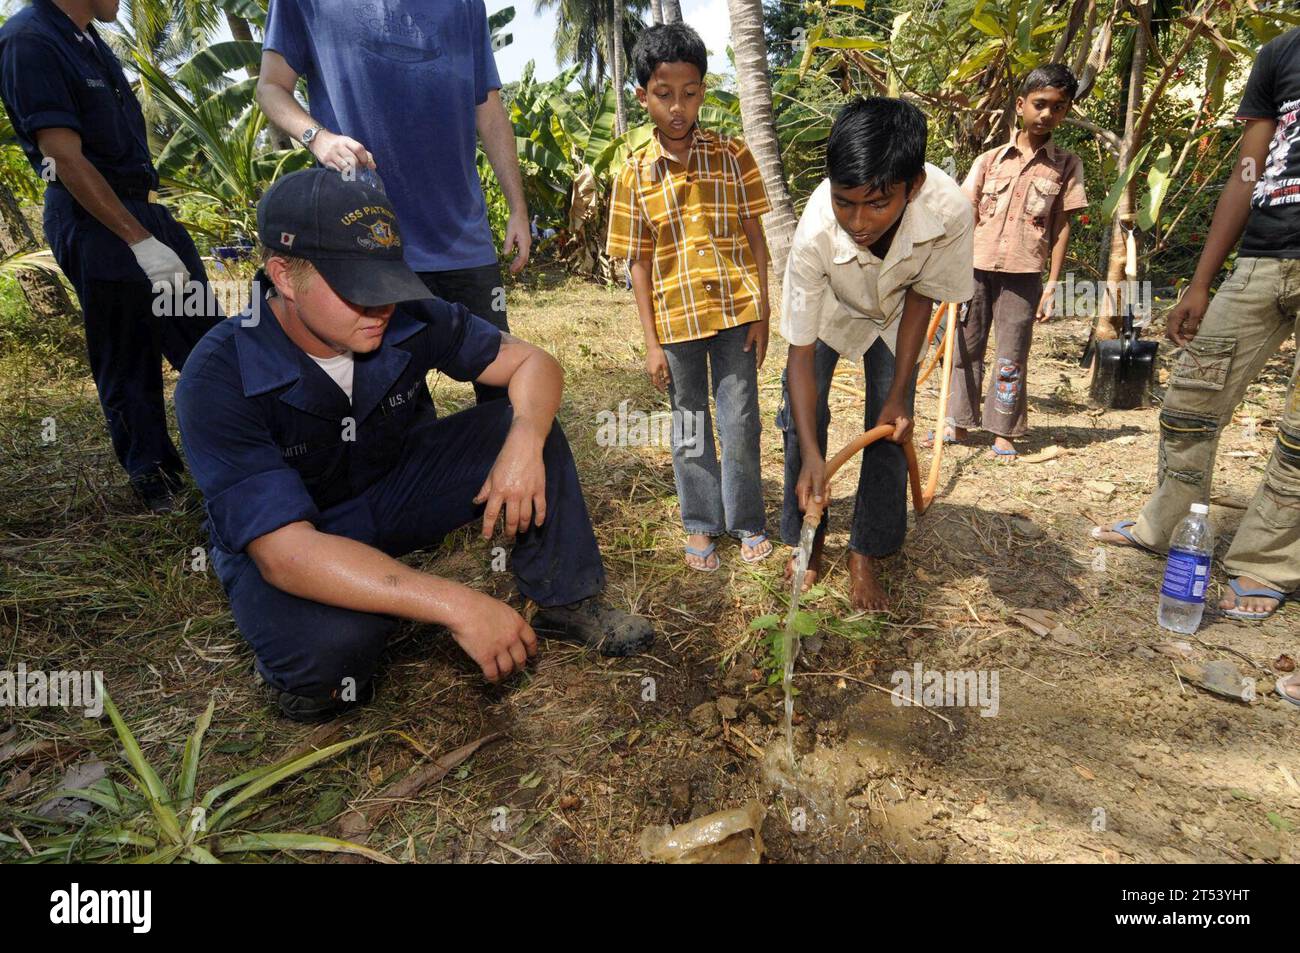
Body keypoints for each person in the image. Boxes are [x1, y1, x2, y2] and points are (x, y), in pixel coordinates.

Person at [175, 169, 653, 722]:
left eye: (388, 283)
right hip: (295, 539)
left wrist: (524, 441)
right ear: (284, 275)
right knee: (336, 652)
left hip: (389, 489)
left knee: (522, 423)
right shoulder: (219, 376)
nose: (381, 308)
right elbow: (285, 555)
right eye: (359, 290)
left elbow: (534, 363)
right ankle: (300, 665)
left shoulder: (405, 315)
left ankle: (566, 601)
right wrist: (456, 604)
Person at [1092, 27, 1300, 623]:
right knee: (1189, 400)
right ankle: (1170, 523)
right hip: (1262, 258)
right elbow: (1248, 167)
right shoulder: (1281, 53)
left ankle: (1267, 561)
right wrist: (1203, 282)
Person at [0, 0, 219, 511]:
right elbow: (63, 158)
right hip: (94, 217)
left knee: (209, 340)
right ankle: (156, 484)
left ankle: (246, 454)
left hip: (141, 208)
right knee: (128, 354)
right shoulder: (30, 40)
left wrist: (152, 226)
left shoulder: (90, 40)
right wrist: (137, 240)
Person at [254, 0, 528, 404]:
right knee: (388, 409)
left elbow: (488, 109)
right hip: (366, 245)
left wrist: (517, 208)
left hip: (462, 237)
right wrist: (319, 137)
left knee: (502, 390)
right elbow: (270, 86)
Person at [779, 97, 974, 611]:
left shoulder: (949, 210)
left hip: (897, 315)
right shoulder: (815, 233)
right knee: (800, 417)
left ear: (912, 188)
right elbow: (799, 359)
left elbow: (921, 296)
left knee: (890, 428)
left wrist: (899, 392)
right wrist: (814, 456)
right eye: (845, 202)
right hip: (831, 308)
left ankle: (866, 553)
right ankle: (809, 542)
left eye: (876, 204)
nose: (858, 222)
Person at [606, 22, 774, 572]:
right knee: (690, 422)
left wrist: (764, 311)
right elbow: (639, 262)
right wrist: (652, 343)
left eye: (690, 92)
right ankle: (700, 521)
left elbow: (756, 237)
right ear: (642, 96)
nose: (677, 107)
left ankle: (746, 519)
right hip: (676, 323)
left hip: (734, 313)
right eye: (663, 94)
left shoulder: (733, 154)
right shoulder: (633, 175)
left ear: (704, 89)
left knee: (740, 417)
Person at [930, 63, 1087, 460]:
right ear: (1020, 105)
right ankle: (959, 421)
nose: (1047, 114)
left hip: (1024, 272)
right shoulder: (989, 161)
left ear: (1066, 112)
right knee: (965, 345)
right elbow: (966, 215)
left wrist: (1051, 285)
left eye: (1058, 107)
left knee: (1012, 352)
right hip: (975, 268)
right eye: (1040, 104)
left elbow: (1061, 226)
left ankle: (1003, 428)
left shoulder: (1066, 165)